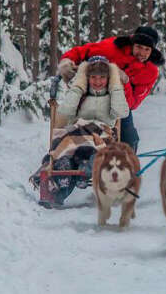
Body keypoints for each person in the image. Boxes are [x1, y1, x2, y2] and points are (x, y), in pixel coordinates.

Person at [38, 56, 129, 208]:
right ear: (86, 77)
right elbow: (65, 110)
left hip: (101, 137)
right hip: (76, 136)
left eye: (103, 77)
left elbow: (122, 112)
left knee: (101, 152)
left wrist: (115, 85)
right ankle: (63, 175)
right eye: (93, 77)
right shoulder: (80, 94)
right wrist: (79, 86)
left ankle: (87, 168)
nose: (98, 81)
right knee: (69, 154)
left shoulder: (113, 95)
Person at [57, 26, 164, 152]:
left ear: (153, 51)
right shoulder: (111, 48)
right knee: (73, 124)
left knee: (129, 140)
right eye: (139, 47)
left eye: (147, 49)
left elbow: (133, 104)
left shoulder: (150, 72)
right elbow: (82, 51)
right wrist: (67, 61)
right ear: (132, 43)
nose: (142, 53)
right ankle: (62, 153)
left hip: (120, 104)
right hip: (91, 95)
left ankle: (126, 164)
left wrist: (123, 81)